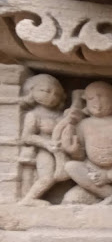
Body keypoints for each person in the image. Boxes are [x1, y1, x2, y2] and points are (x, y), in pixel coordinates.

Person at [19, 74, 67, 205]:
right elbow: (26, 137)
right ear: (31, 90)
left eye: (57, 94)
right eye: (46, 91)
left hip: (62, 151)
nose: (52, 96)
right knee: (47, 177)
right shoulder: (33, 115)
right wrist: (45, 143)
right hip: (45, 151)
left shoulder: (61, 114)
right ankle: (28, 199)